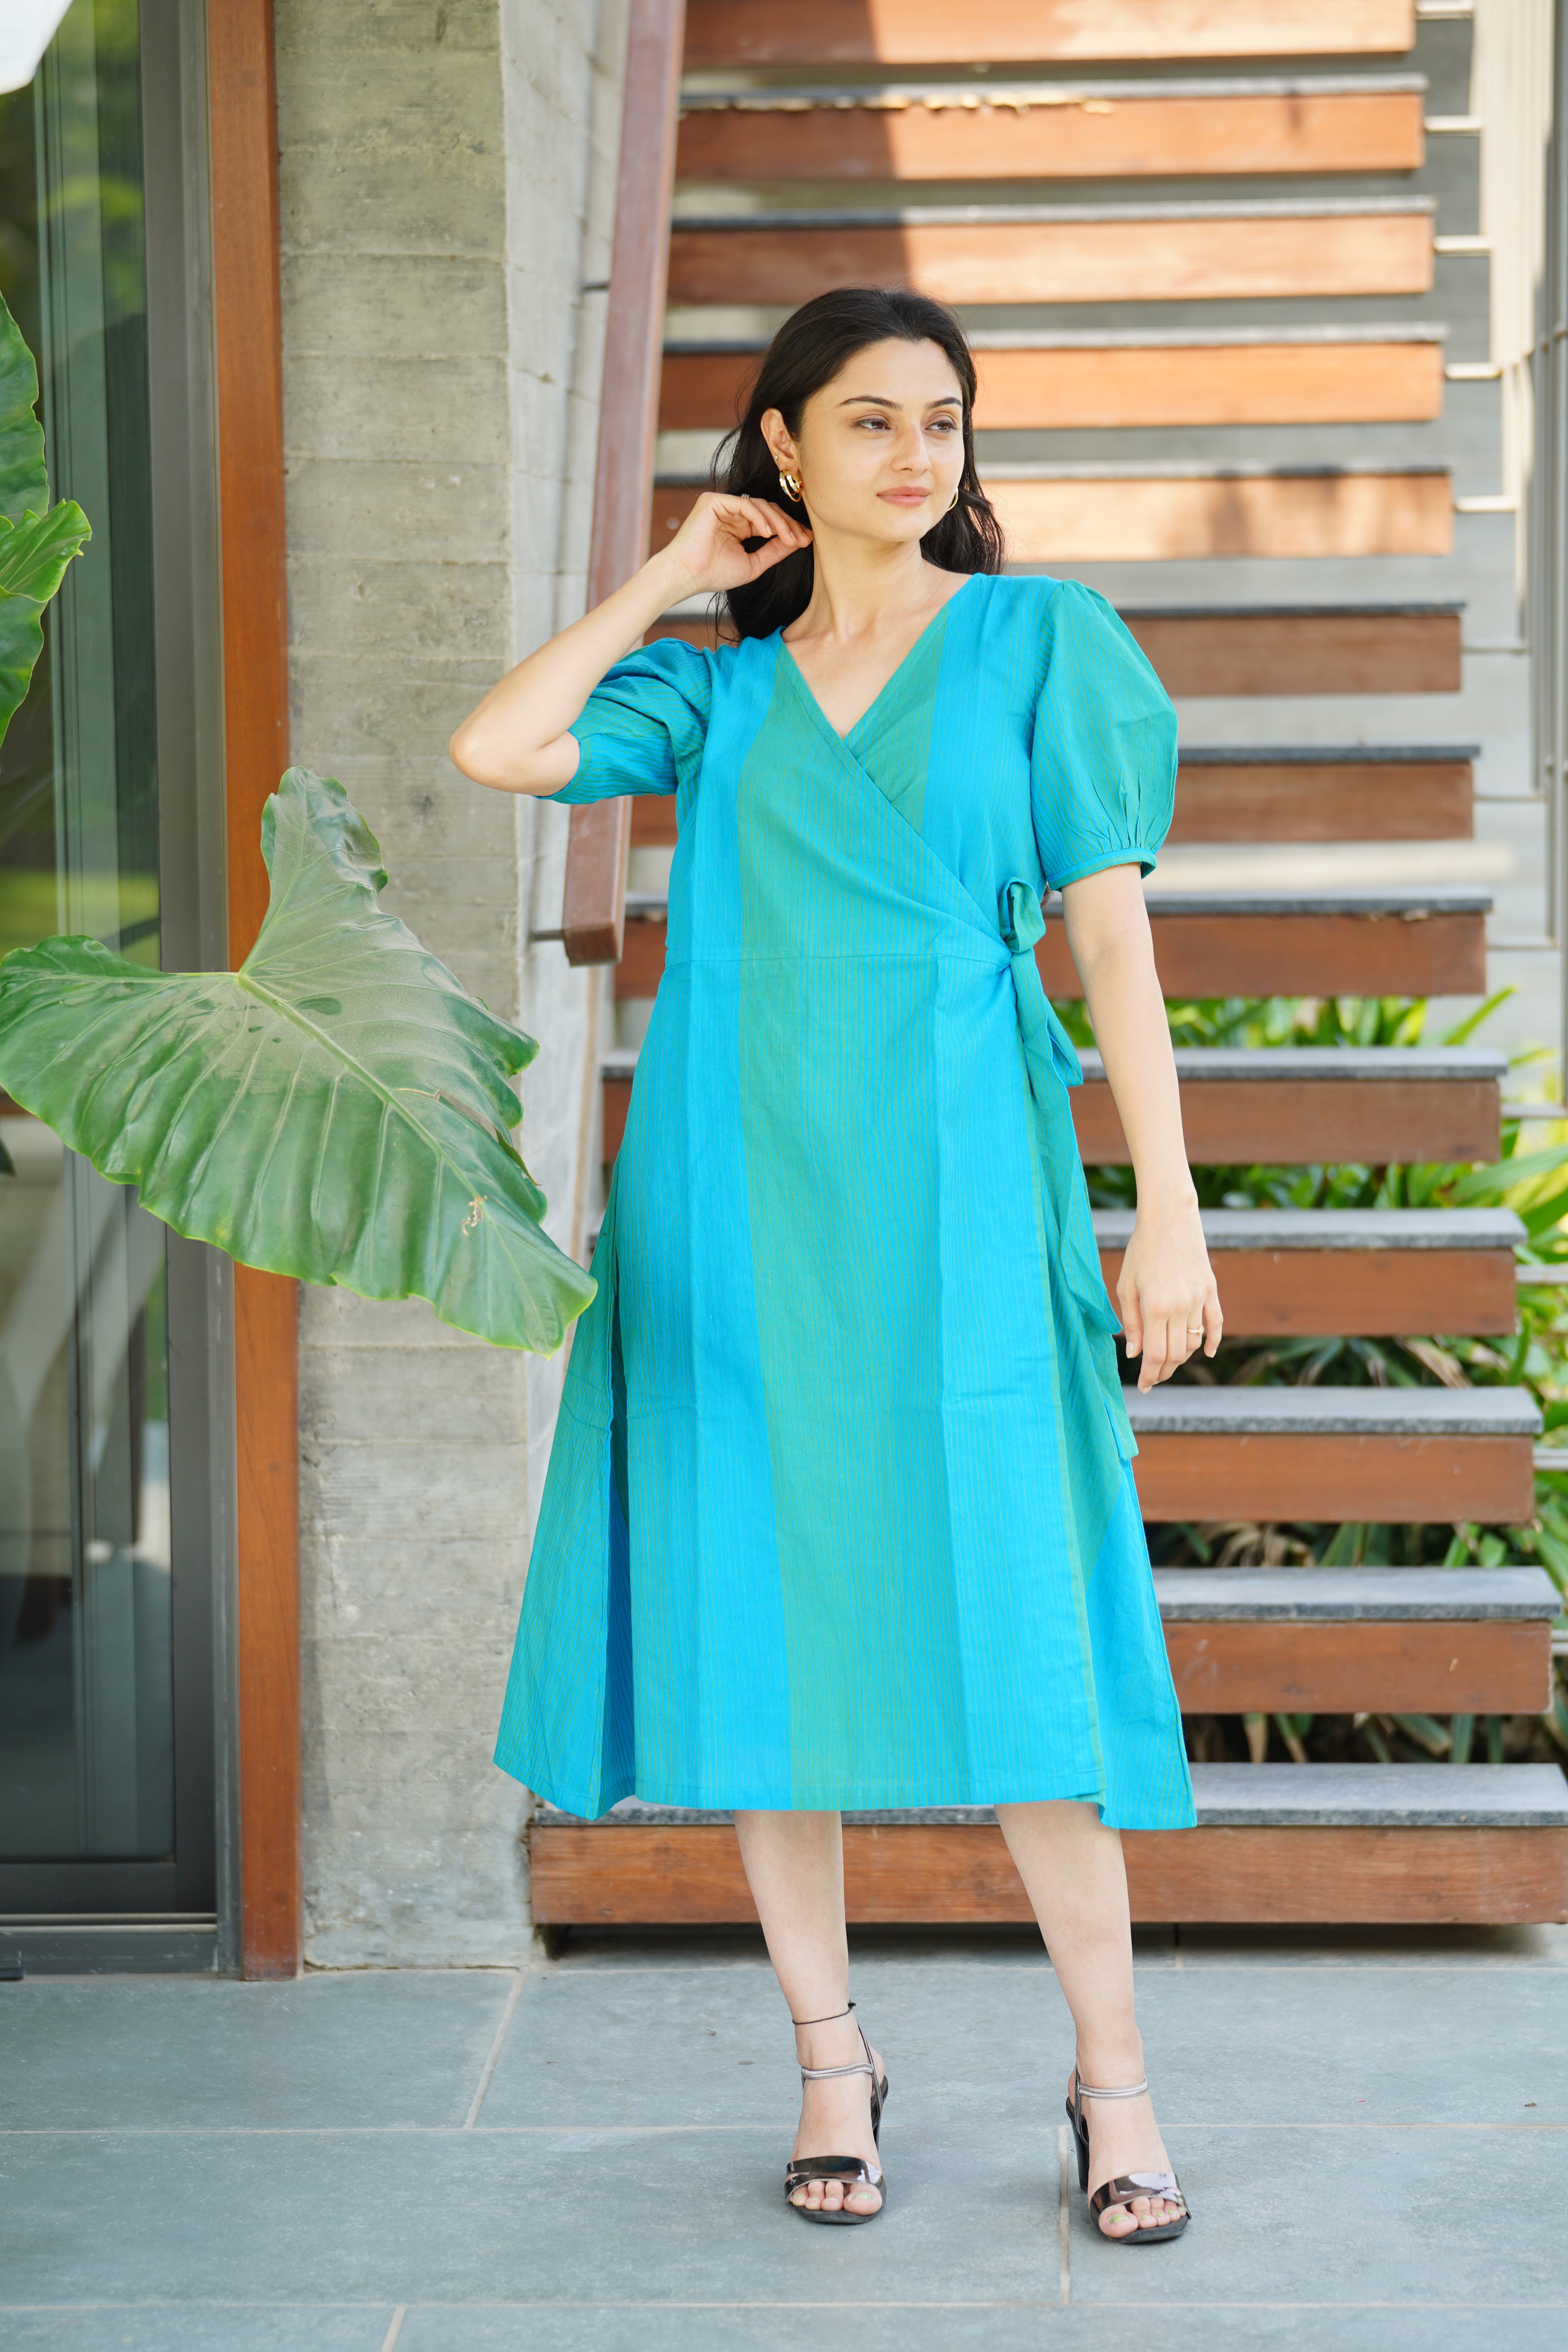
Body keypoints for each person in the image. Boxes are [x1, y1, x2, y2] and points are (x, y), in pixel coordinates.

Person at [449, 286, 1219, 2240]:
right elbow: (496, 745)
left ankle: (1113, 2087)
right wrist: (669, 575)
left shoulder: (1042, 640)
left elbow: (1110, 941)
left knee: (1024, 1629)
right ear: (782, 444)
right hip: (738, 1196)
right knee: (764, 1630)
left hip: (966, 1197)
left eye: (941, 420)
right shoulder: (712, 691)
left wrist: (1169, 1207)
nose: (913, 454)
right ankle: (827, 2063)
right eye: (867, 419)